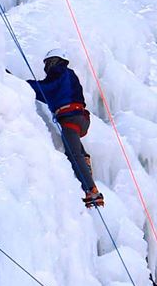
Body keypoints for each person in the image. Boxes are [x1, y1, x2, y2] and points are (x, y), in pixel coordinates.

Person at [24, 53, 104, 209]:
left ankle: (91, 190)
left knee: (73, 154)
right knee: (76, 149)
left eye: (47, 63)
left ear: (55, 61)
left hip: (70, 117)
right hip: (79, 118)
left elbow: (46, 88)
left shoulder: (60, 72)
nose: (46, 67)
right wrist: (26, 87)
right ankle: (85, 157)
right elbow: (44, 94)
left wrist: (22, 83)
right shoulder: (67, 77)